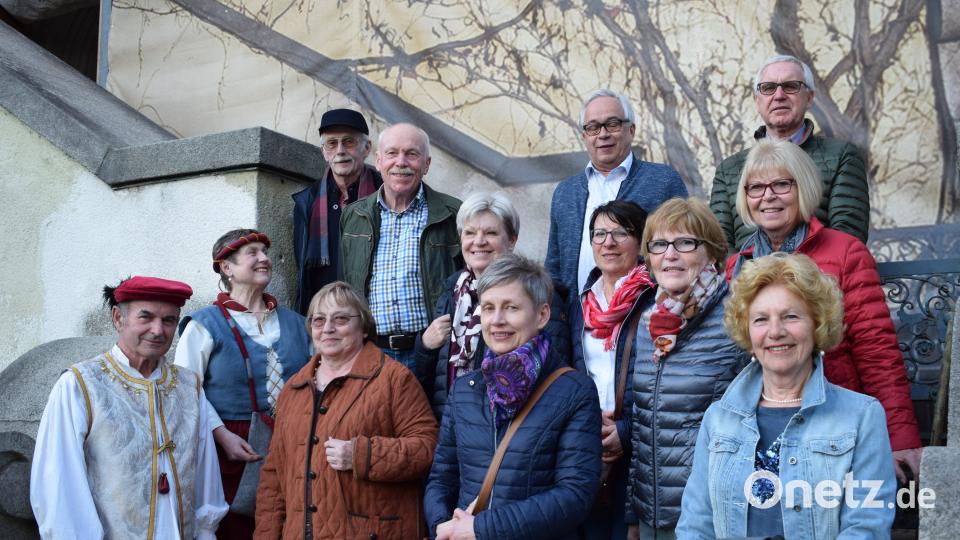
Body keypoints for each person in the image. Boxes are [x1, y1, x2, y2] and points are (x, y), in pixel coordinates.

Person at [727, 139, 921, 482]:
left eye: (781, 184)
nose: (767, 195)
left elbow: (876, 350)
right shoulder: (736, 266)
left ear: (803, 188)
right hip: (758, 429)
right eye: (756, 187)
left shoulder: (845, 252)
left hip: (833, 429)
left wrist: (899, 437)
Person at [677, 253, 896, 539]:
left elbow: (867, 526)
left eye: (790, 316)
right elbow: (696, 524)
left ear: (817, 324)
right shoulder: (718, 418)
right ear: (747, 331)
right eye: (760, 319)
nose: (775, 332)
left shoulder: (861, 417)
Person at [31, 276, 228, 539]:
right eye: (145, 317)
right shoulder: (80, 385)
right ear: (117, 318)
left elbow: (205, 471)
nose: (158, 330)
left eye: (168, 320)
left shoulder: (188, 386)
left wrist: (205, 532)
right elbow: (59, 483)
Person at [424, 254, 602, 540]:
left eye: (511, 308)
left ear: (542, 315)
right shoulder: (465, 389)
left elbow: (575, 495)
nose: (496, 321)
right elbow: (441, 478)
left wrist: (482, 528)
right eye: (489, 307)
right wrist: (442, 525)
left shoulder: (574, 391)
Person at [254, 281, 438, 539]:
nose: (327, 328)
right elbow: (273, 478)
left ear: (363, 327)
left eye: (340, 319)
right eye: (318, 321)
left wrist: (362, 455)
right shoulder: (293, 389)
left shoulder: (394, 379)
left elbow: (428, 449)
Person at [623, 198, 747, 540]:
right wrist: (634, 509)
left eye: (685, 243)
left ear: (711, 252)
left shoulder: (736, 318)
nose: (670, 254)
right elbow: (642, 423)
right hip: (654, 514)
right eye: (659, 244)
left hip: (711, 513)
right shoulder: (652, 321)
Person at [175, 229, 311, 539]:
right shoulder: (203, 325)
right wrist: (220, 435)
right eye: (253, 253)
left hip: (294, 441)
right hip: (231, 448)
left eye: (265, 251)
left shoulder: (298, 323)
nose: (264, 258)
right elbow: (185, 390)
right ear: (226, 267)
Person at [415, 191, 571, 418]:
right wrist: (425, 346)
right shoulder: (452, 292)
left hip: (507, 426)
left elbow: (553, 373)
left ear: (512, 240)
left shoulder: (539, 293)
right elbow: (433, 378)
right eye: (469, 233)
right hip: (453, 424)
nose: (478, 241)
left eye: (491, 233)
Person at [710, 54, 870, 251]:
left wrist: (795, 277)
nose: (779, 95)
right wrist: (748, 279)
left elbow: (847, 236)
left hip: (817, 276)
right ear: (757, 101)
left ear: (809, 98)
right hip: (745, 277)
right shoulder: (729, 169)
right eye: (768, 88)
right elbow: (717, 244)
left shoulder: (842, 156)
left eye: (791, 86)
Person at [340, 122, 463, 376]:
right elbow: (346, 285)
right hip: (371, 353)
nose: (401, 162)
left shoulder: (453, 214)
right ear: (379, 160)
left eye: (412, 154)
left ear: (426, 164)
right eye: (392, 153)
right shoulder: (354, 215)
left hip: (433, 353)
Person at [546, 88, 687, 300]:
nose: (603, 134)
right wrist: (557, 330)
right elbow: (554, 270)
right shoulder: (566, 192)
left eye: (612, 124)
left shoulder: (663, 182)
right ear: (584, 136)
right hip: (580, 325)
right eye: (593, 127)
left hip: (642, 322)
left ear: (631, 130)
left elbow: (685, 252)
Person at [568, 200, 654, 540]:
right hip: (589, 443)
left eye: (621, 233)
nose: (608, 242)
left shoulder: (656, 300)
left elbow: (666, 385)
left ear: (641, 242)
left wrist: (626, 430)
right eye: (600, 234)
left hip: (639, 448)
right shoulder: (580, 304)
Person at [293, 109, 383, 314]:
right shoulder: (307, 201)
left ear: (366, 148)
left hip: (374, 316)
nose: (340, 150)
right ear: (324, 151)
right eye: (332, 143)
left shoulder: (385, 194)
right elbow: (303, 274)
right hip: (325, 320)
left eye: (349, 142)